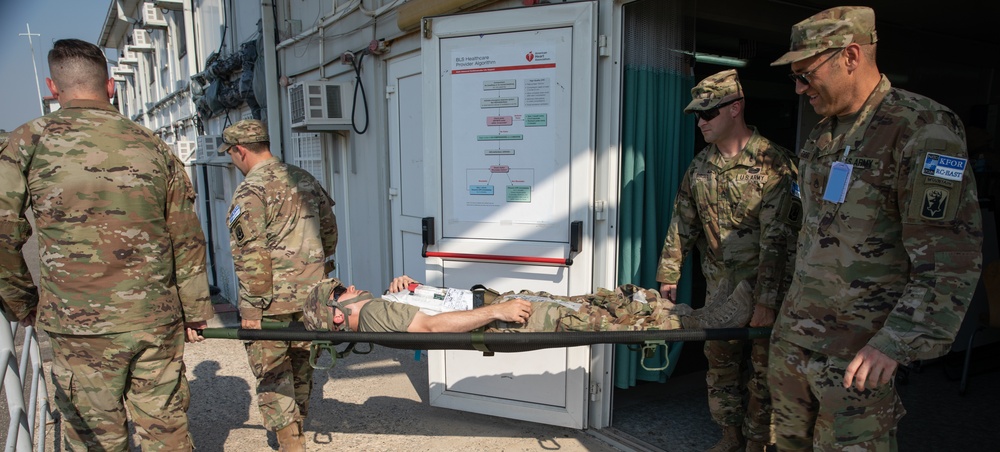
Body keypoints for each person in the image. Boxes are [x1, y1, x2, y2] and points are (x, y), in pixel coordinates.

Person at [768, 6, 983, 451]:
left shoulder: (923, 129)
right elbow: (808, 231)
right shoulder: (823, 133)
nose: (798, 87)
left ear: (850, 56)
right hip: (796, 342)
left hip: (858, 354)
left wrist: (895, 342)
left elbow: (949, 258)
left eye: (806, 74)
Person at [0, 39, 213, 451]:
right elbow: (186, 235)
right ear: (111, 86)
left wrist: (22, 301)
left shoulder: (28, 141)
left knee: (96, 438)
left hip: (79, 327)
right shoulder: (152, 144)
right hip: (155, 320)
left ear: (52, 86)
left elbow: (3, 231)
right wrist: (195, 310)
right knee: (165, 431)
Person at [655, 69, 801, 452]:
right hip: (720, 292)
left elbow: (779, 240)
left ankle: (757, 442)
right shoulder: (700, 167)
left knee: (765, 372)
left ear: (735, 108)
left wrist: (767, 302)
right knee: (720, 368)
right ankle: (729, 436)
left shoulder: (776, 163)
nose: (701, 123)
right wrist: (670, 271)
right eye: (697, 116)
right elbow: (682, 220)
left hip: (766, 291)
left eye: (708, 114)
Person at [221, 119, 339, 451]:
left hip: (271, 303)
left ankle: (292, 445)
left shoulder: (250, 189)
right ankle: (296, 432)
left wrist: (252, 308)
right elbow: (329, 232)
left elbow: (251, 254)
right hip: (311, 297)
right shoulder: (304, 178)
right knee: (302, 366)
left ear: (239, 150)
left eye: (231, 154)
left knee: (274, 374)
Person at [302, 275, 755, 334]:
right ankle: (714, 320)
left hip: (497, 302)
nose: (351, 286)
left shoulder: (381, 305)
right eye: (342, 291)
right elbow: (430, 329)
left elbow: (427, 313)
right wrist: (497, 312)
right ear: (338, 314)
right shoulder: (375, 314)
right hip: (504, 312)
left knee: (601, 304)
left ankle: (701, 313)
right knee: (606, 319)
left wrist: (416, 289)